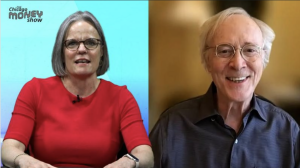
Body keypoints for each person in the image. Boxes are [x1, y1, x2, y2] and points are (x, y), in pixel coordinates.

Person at [150, 7, 300, 168]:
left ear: (264, 59)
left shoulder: (287, 131)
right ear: (207, 61)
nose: (237, 63)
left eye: (250, 50)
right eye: (224, 51)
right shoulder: (170, 127)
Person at [1, 11, 153, 168]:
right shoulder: (34, 90)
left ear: (102, 51)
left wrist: (127, 162)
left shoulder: (121, 97)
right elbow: (9, 149)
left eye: (91, 42)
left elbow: (145, 154)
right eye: (72, 43)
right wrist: (25, 160)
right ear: (61, 52)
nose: (82, 49)